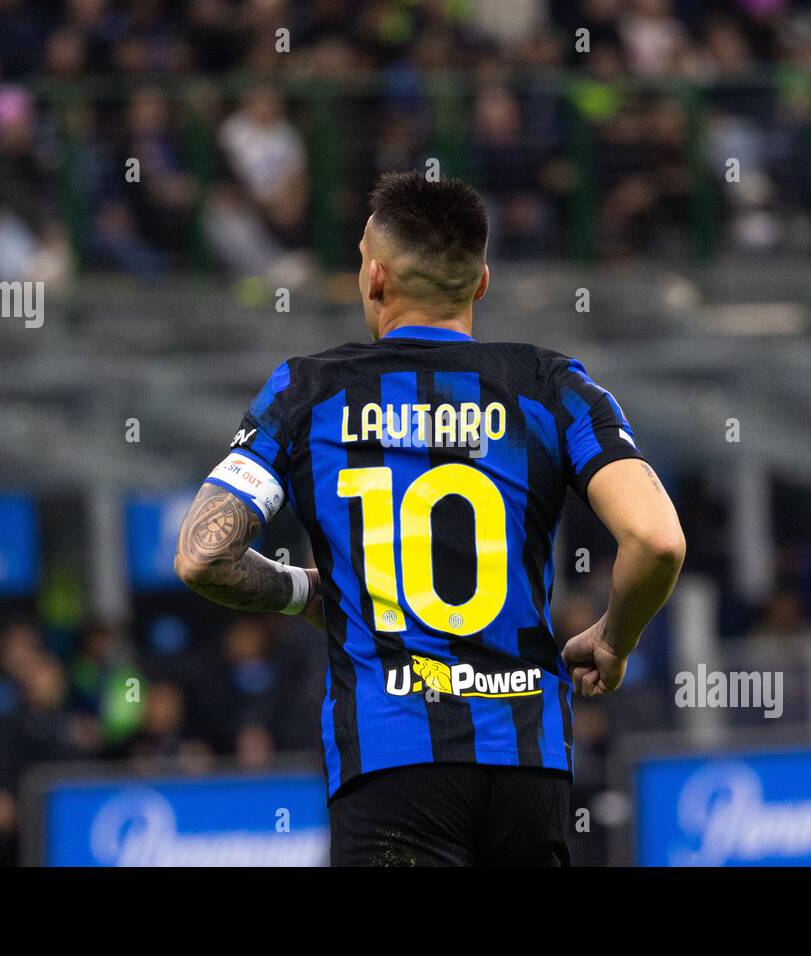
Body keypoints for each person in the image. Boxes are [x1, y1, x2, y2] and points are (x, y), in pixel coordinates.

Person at [174, 171, 685, 866]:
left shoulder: (306, 391)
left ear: (376, 277)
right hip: (527, 765)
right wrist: (614, 640)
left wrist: (306, 593)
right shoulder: (553, 385)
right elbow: (657, 538)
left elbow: (204, 555)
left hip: (390, 763)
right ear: (480, 284)